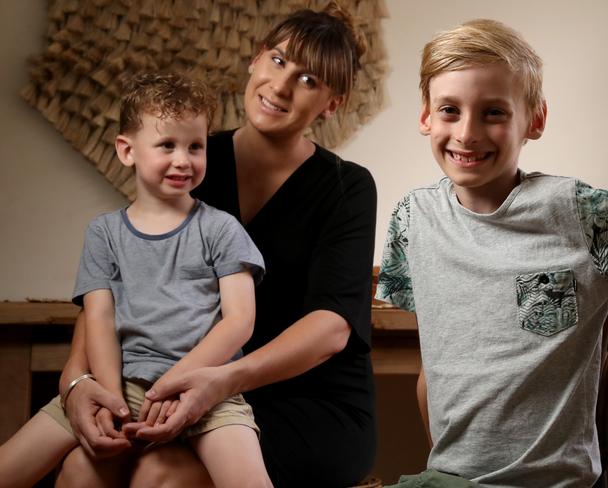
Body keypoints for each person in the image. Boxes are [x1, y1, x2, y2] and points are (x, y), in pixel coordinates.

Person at [55, 3, 378, 487]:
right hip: (184, 383)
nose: (282, 86)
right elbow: (119, 280)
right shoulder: (192, 159)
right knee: (81, 468)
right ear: (254, 58)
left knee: (162, 474)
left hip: (305, 401)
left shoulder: (346, 187)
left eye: (310, 80)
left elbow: (331, 327)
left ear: (332, 103)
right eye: (278, 60)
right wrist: (75, 383)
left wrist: (222, 382)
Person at [376, 18, 608, 488]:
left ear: (535, 120)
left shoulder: (579, 213)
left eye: (493, 113)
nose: (467, 133)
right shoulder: (413, 219)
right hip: (451, 477)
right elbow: (435, 365)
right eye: (449, 110)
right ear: (425, 116)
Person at [0, 72, 271, 488]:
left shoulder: (222, 229)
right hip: (122, 384)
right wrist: (111, 401)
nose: (184, 159)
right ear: (127, 150)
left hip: (204, 388)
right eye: (167, 145)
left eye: (195, 146)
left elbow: (239, 322)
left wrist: (172, 385)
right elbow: (100, 321)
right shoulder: (104, 233)